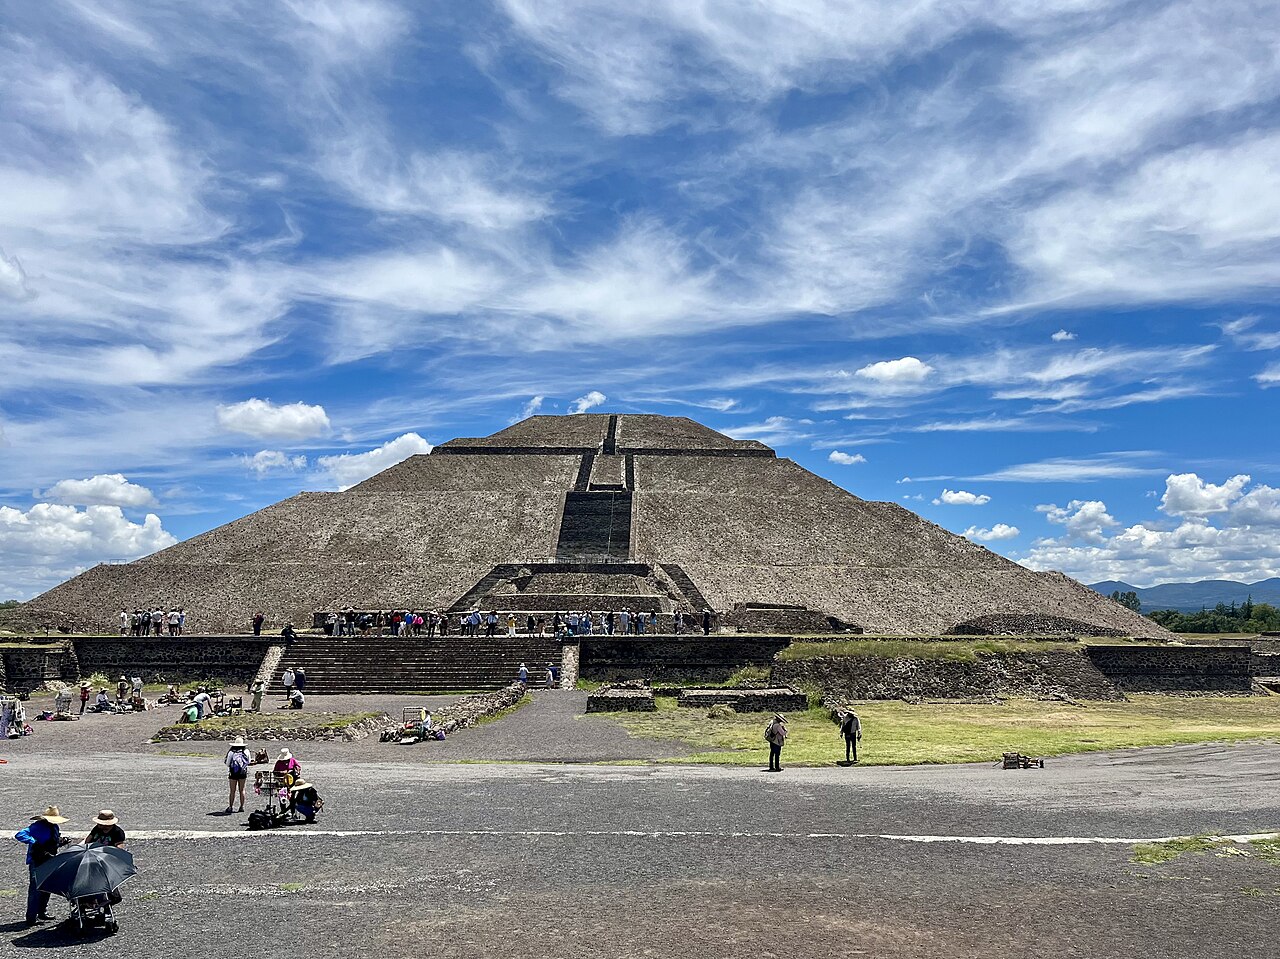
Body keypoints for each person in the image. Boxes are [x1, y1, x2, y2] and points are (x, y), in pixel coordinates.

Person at [15, 805, 68, 925]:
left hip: (49, 860)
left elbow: (53, 844)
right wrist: (34, 841)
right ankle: (31, 917)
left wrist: (62, 842)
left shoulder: (55, 827)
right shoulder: (37, 826)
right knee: (35, 889)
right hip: (37, 861)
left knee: (46, 887)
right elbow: (20, 834)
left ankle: (42, 912)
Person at [226, 737, 251, 812]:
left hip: (233, 772)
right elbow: (248, 762)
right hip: (242, 773)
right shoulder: (246, 751)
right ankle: (241, 807)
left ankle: (230, 807)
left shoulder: (231, 752)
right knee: (242, 790)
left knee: (232, 791)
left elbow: (227, 763)